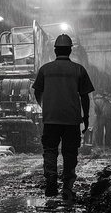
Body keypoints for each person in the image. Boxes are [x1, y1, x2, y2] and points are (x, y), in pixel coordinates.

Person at [32, 34, 95, 201]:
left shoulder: (45, 69)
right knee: (70, 153)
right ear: (70, 49)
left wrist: (45, 106)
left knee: (50, 149)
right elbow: (84, 96)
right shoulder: (79, 70)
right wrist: (86, 116)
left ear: (55, 50)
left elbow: (37, 91)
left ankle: (51, 175)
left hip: (51, 119)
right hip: (71, 119)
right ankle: (67, 188)